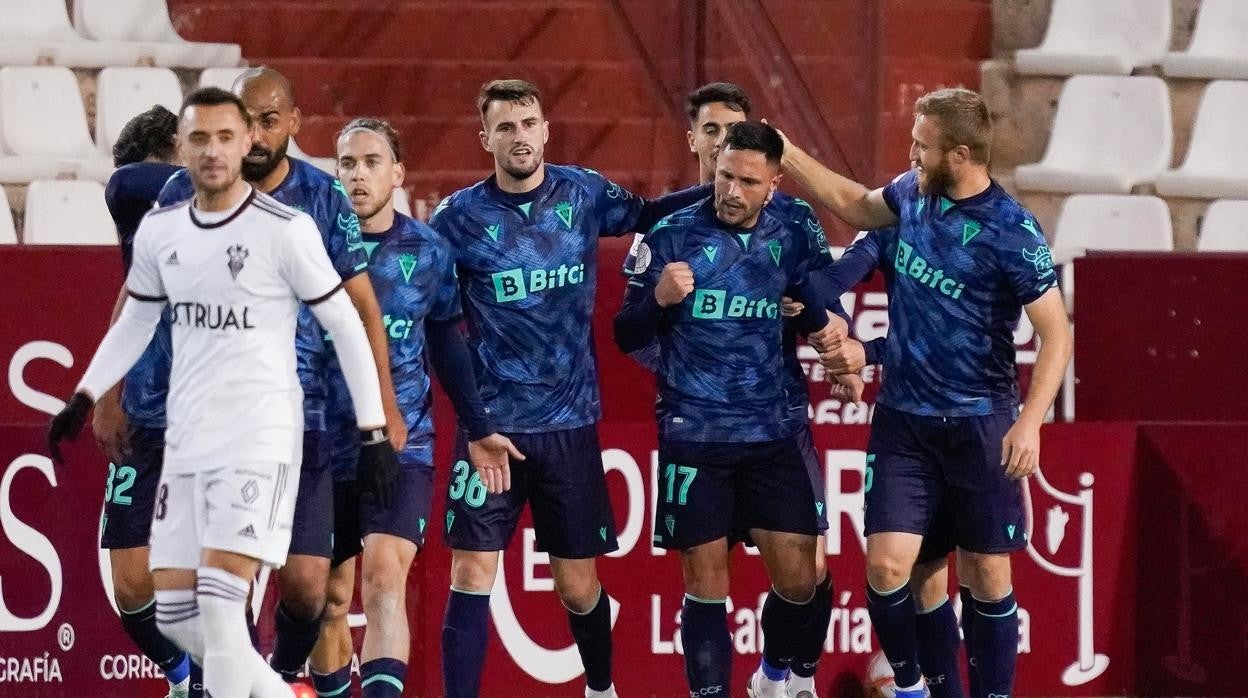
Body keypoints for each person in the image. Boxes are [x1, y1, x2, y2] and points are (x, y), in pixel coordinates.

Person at [47, 86, 399, 698]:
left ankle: (273, 680)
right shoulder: (169, 211)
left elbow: (348, 317)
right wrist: (91, 394)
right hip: (189, 426)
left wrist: (374, 423)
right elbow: (136, 306)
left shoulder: (291, 226)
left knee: (275, 592)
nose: (224, 149)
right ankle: (228, 684)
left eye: (231, 135)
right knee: (185, 601)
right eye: (203, 139)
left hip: (268, 427)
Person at [782, 87, 1073, 698]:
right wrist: (788, 154)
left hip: (981, 421)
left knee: (987, 576)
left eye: (922, 147)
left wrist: (1031, 422)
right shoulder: (912, 196)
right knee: (890, 570)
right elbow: (857, 205)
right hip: (904, 422)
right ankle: (919, 689)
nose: (910, 155)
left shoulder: (1011, 231)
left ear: (961, 154)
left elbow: (1056, 334)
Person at [431, 78, 706, 698]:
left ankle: (601, 689)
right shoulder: (456, 220)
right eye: (505, 127)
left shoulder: (581, 191)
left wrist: (718, 185)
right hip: (492, 429)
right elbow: (441, 327)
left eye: (528, 123)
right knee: (471, 573)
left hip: (569, 425)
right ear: (486, 140)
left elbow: (646, 215)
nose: (519, 136)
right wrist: (475, 426)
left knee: (577, 585)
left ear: (545, 130)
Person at [158, 67, 403, 685]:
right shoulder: (185, 194)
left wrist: (383, 411)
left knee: (306, 591)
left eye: (271, 120)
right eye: (248, 119)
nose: (258, 134)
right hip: (217, 420)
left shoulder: (322, 202)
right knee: (222, 584)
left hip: (307, 419)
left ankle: (275, 670)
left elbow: (361, 310)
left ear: (293, 124)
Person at [623, 82, 859, 697]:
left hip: (772, 429)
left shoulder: (797, 227)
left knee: (801, 578)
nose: (730, 191)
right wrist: (658, 299)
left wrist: (835, 342)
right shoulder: (670, 234)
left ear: (774, 184)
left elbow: (816, 299)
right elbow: (625, 333)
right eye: (725, 176)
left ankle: (773, 676)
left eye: (748, 182)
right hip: (694, 432)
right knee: (705, 583)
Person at [307, 118, 520, 698]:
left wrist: (478, 427)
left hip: (403, 444)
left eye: (372, 161)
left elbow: (449, 344)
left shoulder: (428, 253)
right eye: (347, 163)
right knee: (326, 598)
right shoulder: (307, 245)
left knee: (382, 580)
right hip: (321, 442)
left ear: (398, 174)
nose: (358, 174)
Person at [95, 104, 193, 698]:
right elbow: (127, 307)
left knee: (215, 579)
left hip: (214, 415)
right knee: (131, 584)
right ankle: (183, 677)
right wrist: (108, 397)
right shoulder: (141, 195)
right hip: (148, 409)